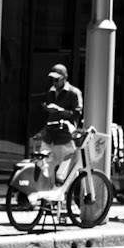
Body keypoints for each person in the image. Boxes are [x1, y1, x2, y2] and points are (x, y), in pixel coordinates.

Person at [40, 61, 84, 190]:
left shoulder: (74, 92)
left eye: (56, 80)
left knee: (67, 172)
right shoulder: (50, 92)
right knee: (43, 168)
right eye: (52, 80)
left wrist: (59, 110)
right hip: (49, 136)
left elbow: (76, 114)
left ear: (65, 78)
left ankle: (71, 196)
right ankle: (47, 197)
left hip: (65, 138)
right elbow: (48, 114)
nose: (54, 83)